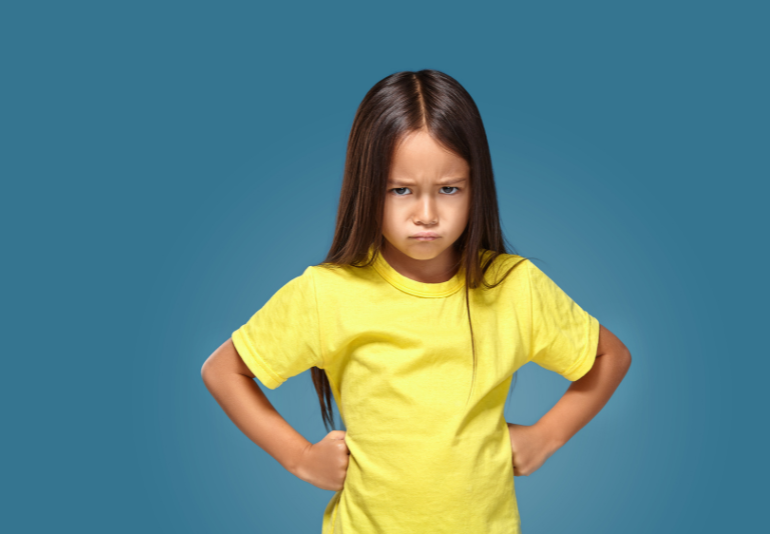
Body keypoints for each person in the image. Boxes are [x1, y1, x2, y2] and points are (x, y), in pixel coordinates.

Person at [201, 69, 631, 534]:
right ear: (367, 186)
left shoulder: (514, 287)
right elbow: (223, 370)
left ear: (475, 186)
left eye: (449, 189)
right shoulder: (328, 293)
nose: (426, 216)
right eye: (400, 189)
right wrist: (301, 458)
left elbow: (611, 355)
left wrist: (546, 436)